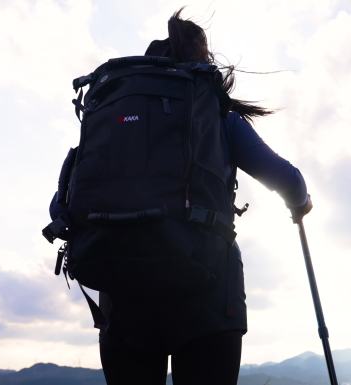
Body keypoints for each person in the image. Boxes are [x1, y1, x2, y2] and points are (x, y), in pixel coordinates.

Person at [51, 9, 312, 385]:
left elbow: (61, 206)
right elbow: (288, 180)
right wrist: (300, 203)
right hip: (207, 298)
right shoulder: (217, 118)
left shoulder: (114, 120)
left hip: (123, 300)